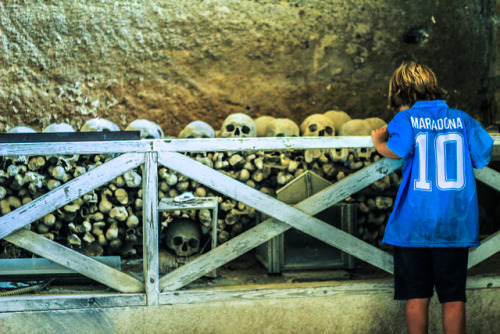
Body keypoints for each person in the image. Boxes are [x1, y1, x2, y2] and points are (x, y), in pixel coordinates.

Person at [371, 61, 493, 334]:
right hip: (454, 224)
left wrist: (379, 142)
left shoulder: (404, 119)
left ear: (399, 94)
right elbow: (483, 154)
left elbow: (397, 148)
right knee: (453, 298)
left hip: (414, 226)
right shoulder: (462, 118)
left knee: (416, 297)